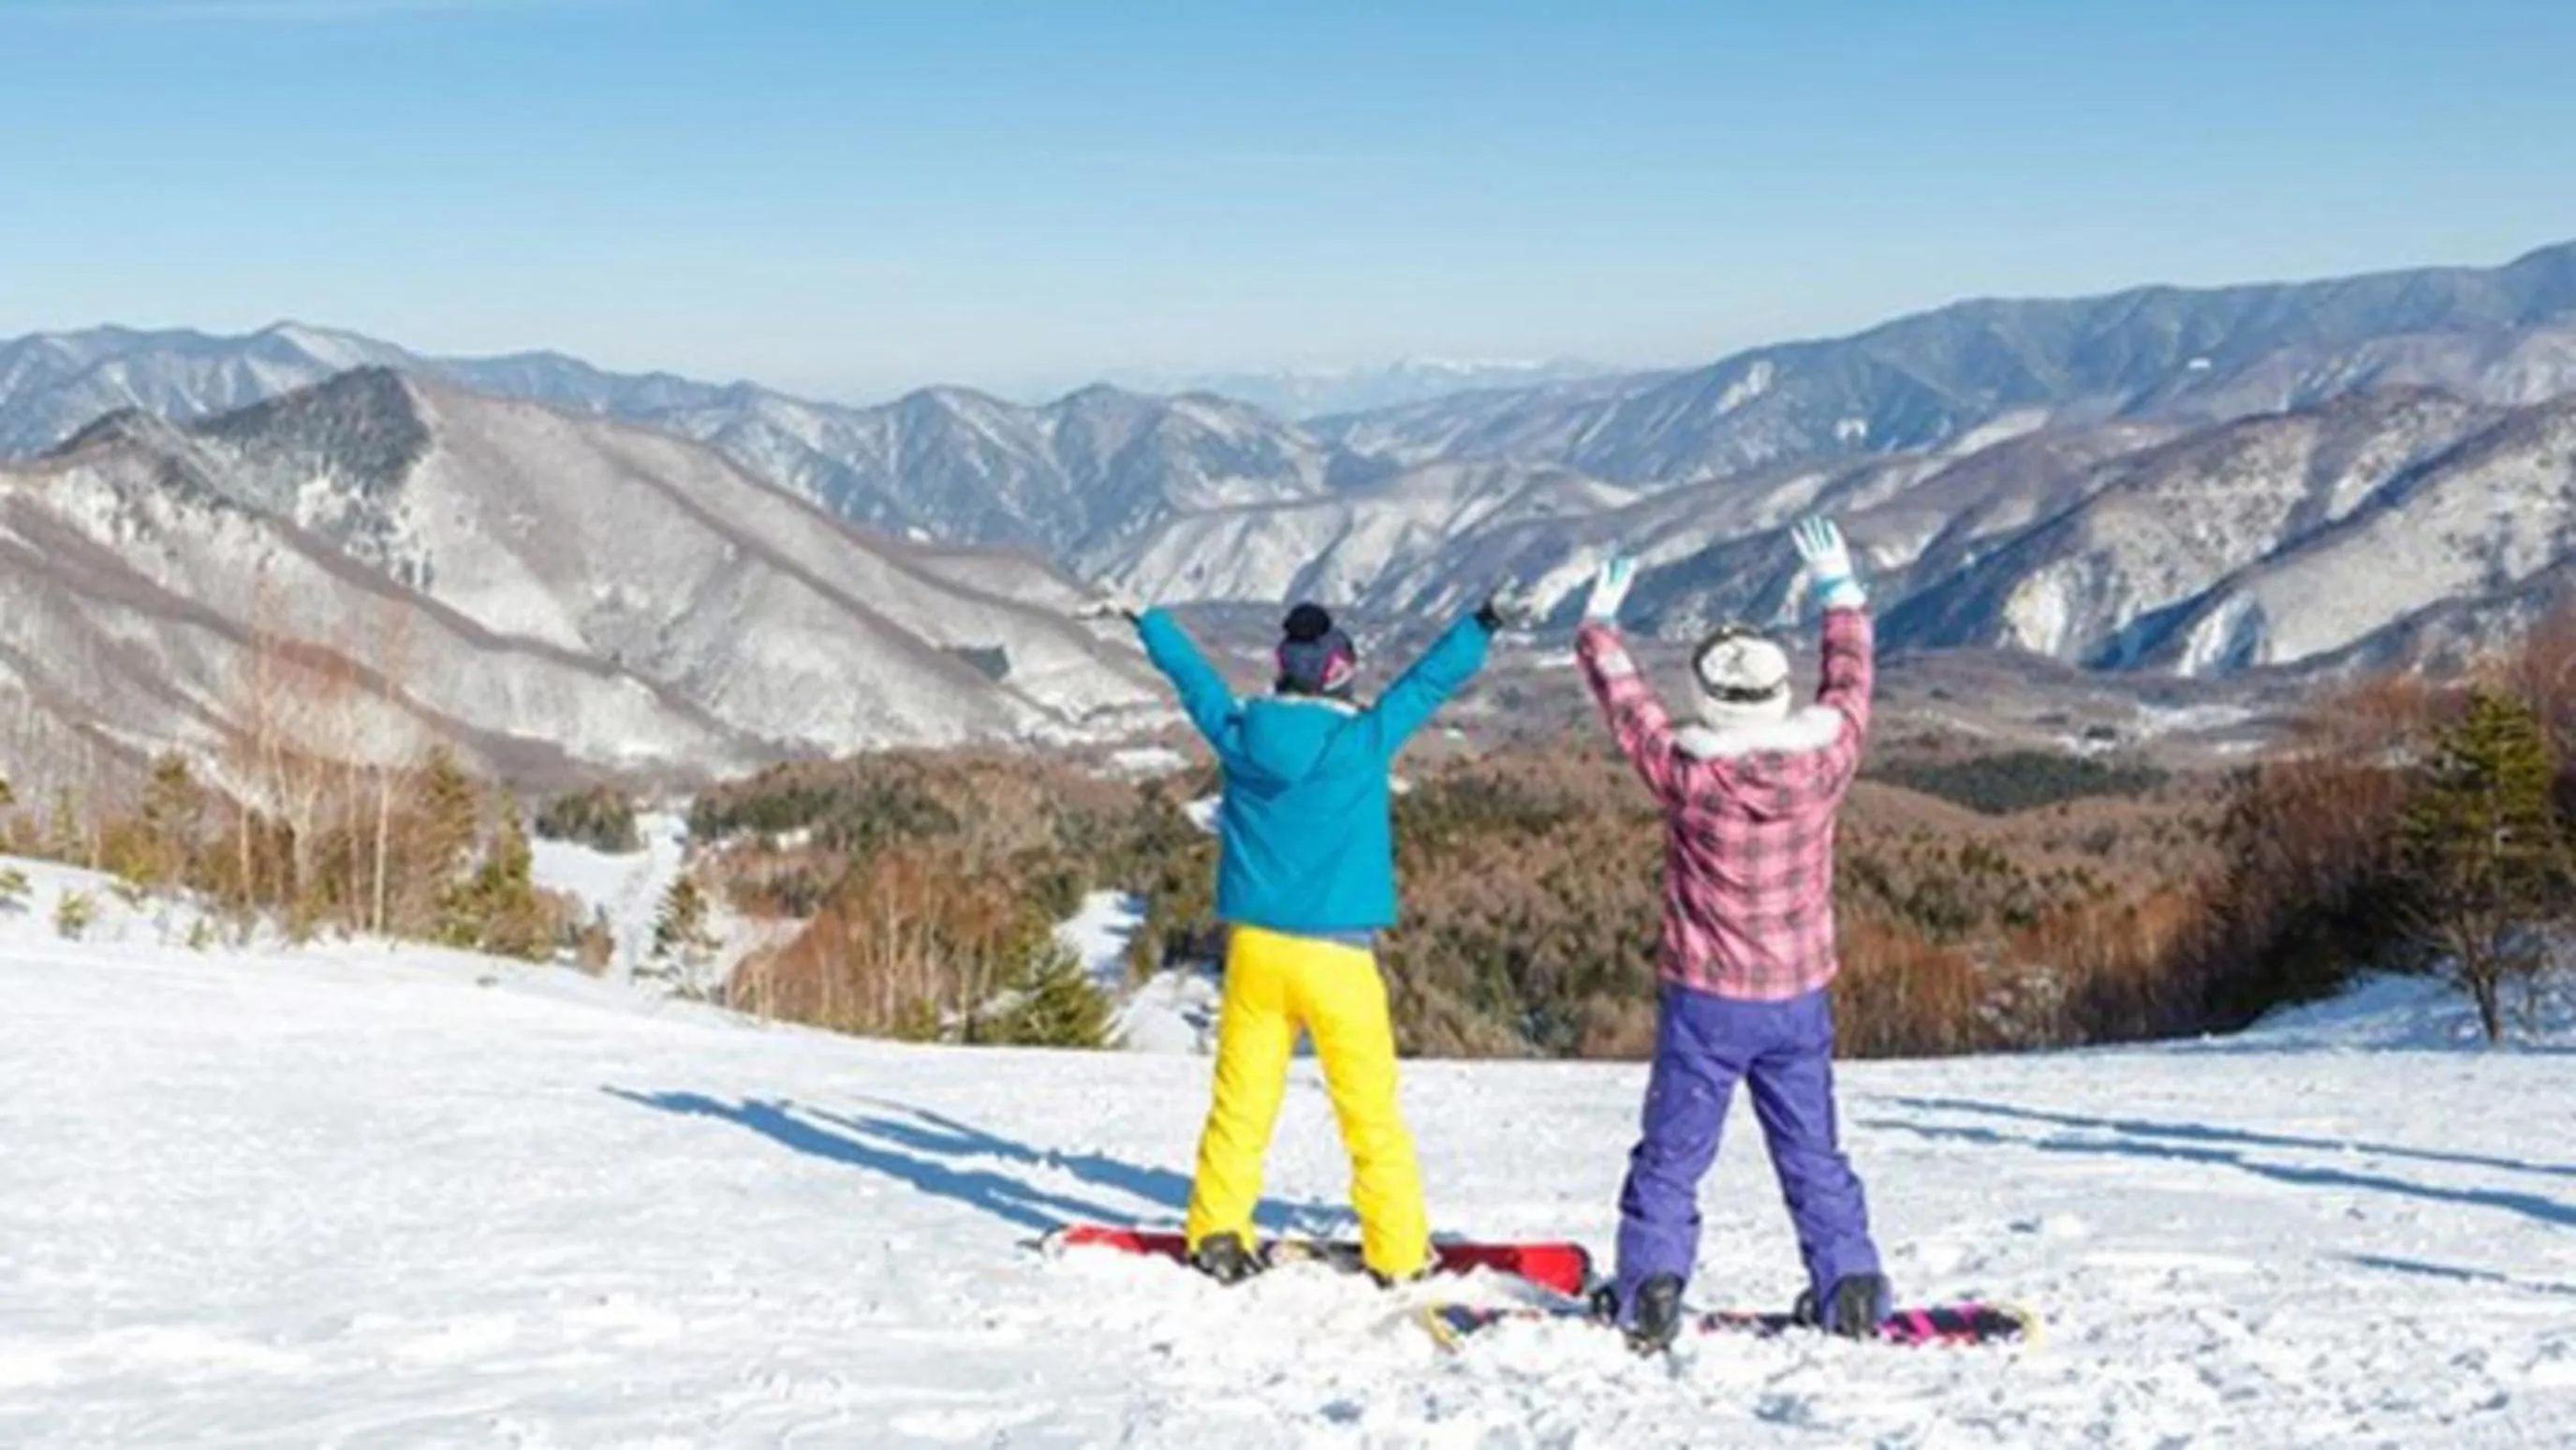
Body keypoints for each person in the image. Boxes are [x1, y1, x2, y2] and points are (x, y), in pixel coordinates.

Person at [1082, 588, 1502, 1287]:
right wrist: (1482, 622)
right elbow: (1428, 679)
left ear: (1281, 671)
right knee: (1367, 1111)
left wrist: (1145, 618)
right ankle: (1397, 1253)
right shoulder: (1360, 740)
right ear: (1339, 673)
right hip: (1337, 955)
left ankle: (1217, 1230)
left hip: (1255, 952)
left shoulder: (1241, 735)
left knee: (1241, 1101)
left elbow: (1192, 678)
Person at [1571, 515, 1891, 1352]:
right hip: (1798, 997)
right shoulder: (1823, 765)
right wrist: (1839, 595)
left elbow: (1627, 704)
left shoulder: (1688, 774)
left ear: (1709, 700)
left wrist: (1599, 623)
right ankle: (1849, 1286)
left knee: (1672, 1156)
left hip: (1705, 1000)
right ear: (1778, 695)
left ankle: (1649, 1292)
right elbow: (1850, 688)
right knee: (1813, 1153)